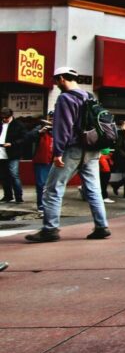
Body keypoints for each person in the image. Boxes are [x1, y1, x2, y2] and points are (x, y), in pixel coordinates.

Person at [25, 67, 111, 242]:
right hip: (92, 148)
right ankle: (101, 226)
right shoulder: (89, 96)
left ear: (62, 78)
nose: (56, 85)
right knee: (93, 189)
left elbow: (63, 128)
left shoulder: (65, 98)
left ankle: (50, 229)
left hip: (73, 149)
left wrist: (57, 152)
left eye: (56, 81)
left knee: (52, 188)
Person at [21, 113, 53, 214]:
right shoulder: (40, 128)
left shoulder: (61, 128)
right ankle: (41, 205)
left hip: (55, 160)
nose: (52, 121)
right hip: (41, 160)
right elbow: (27, 137)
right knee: (41, 184)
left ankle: (52, 205)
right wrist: (40, 132)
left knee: (54, 185)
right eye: (50, 118)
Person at [0, 107, 27, 203]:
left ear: (11, 115)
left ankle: (19, 197)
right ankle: (8, 196)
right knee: (3, 176)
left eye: (6, 117)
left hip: (13, 153)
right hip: (1, 153)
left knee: (14, 175)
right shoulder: (1, 124)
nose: (4, 119)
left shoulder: (18, 125)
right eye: (3, 117)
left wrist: (12, 144)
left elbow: (24, 138)